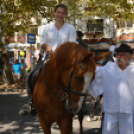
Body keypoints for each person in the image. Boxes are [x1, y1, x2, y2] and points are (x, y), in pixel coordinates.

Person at [19, 4, 76, 116]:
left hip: (64, 60)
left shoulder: (71, 28)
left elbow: (72, 45)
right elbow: (42, 43)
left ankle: (76, 105)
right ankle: (32, 103)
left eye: (63, 13)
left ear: (66, 15)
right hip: (47, 58)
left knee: (77, 77)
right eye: (58, 12)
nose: (60, 14)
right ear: (54, 13)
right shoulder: (47, 27)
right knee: (32, 76)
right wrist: (46, 47)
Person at [88, 44, 134, 134]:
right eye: (117, 54)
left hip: (127, 110)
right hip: (111, 110)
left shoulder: (133, 71)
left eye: (122, 54)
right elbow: (91, 74)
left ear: (129, 57)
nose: (119, 57)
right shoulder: (107, 69)